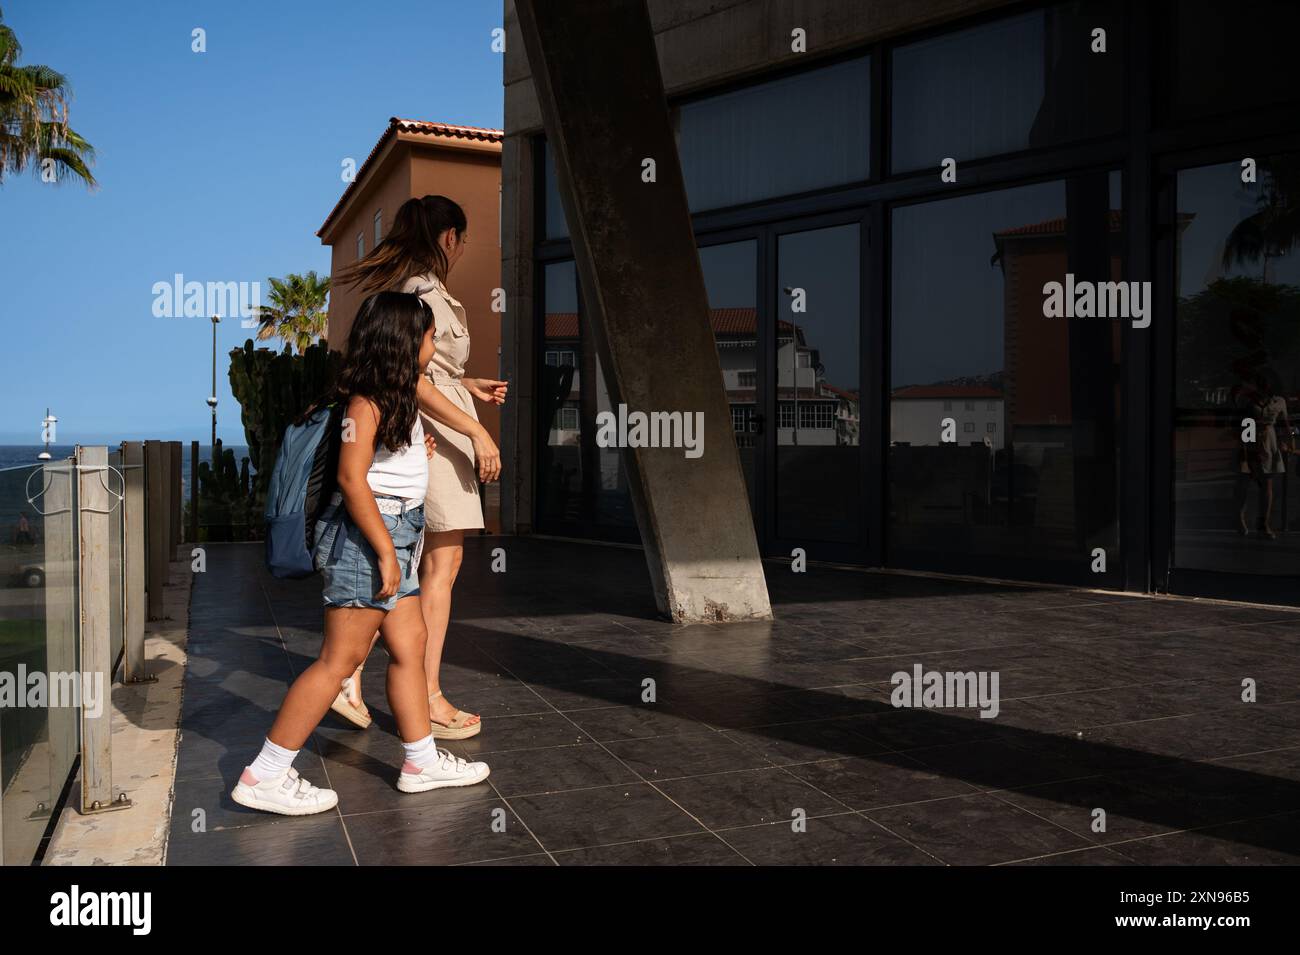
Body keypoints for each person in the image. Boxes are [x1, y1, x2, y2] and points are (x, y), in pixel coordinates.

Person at [231, 291, 489, 815]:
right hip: (367, 540)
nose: (433, 344)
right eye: (429, 336)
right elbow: (352, 480)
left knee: (409, 647)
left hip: (399, 535)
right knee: (338, 660)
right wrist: (385, 555)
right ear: (404, 343)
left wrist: (417, 453)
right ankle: (266, 773)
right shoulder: (364, 403)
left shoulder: (393, 396)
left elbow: (379, 466)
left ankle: (420, 761)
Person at [330, 195, 506, 739]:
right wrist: (476, 429)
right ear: (449, 236)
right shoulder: (419, 292)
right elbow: (411, 376)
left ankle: (353, 675)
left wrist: (467, 384)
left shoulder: (418, 289)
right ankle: (422, 694)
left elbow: (432, 369)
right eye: (462, 237)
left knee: (419, 564)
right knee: (437, 568)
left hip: (438, 422)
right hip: (438, 433)